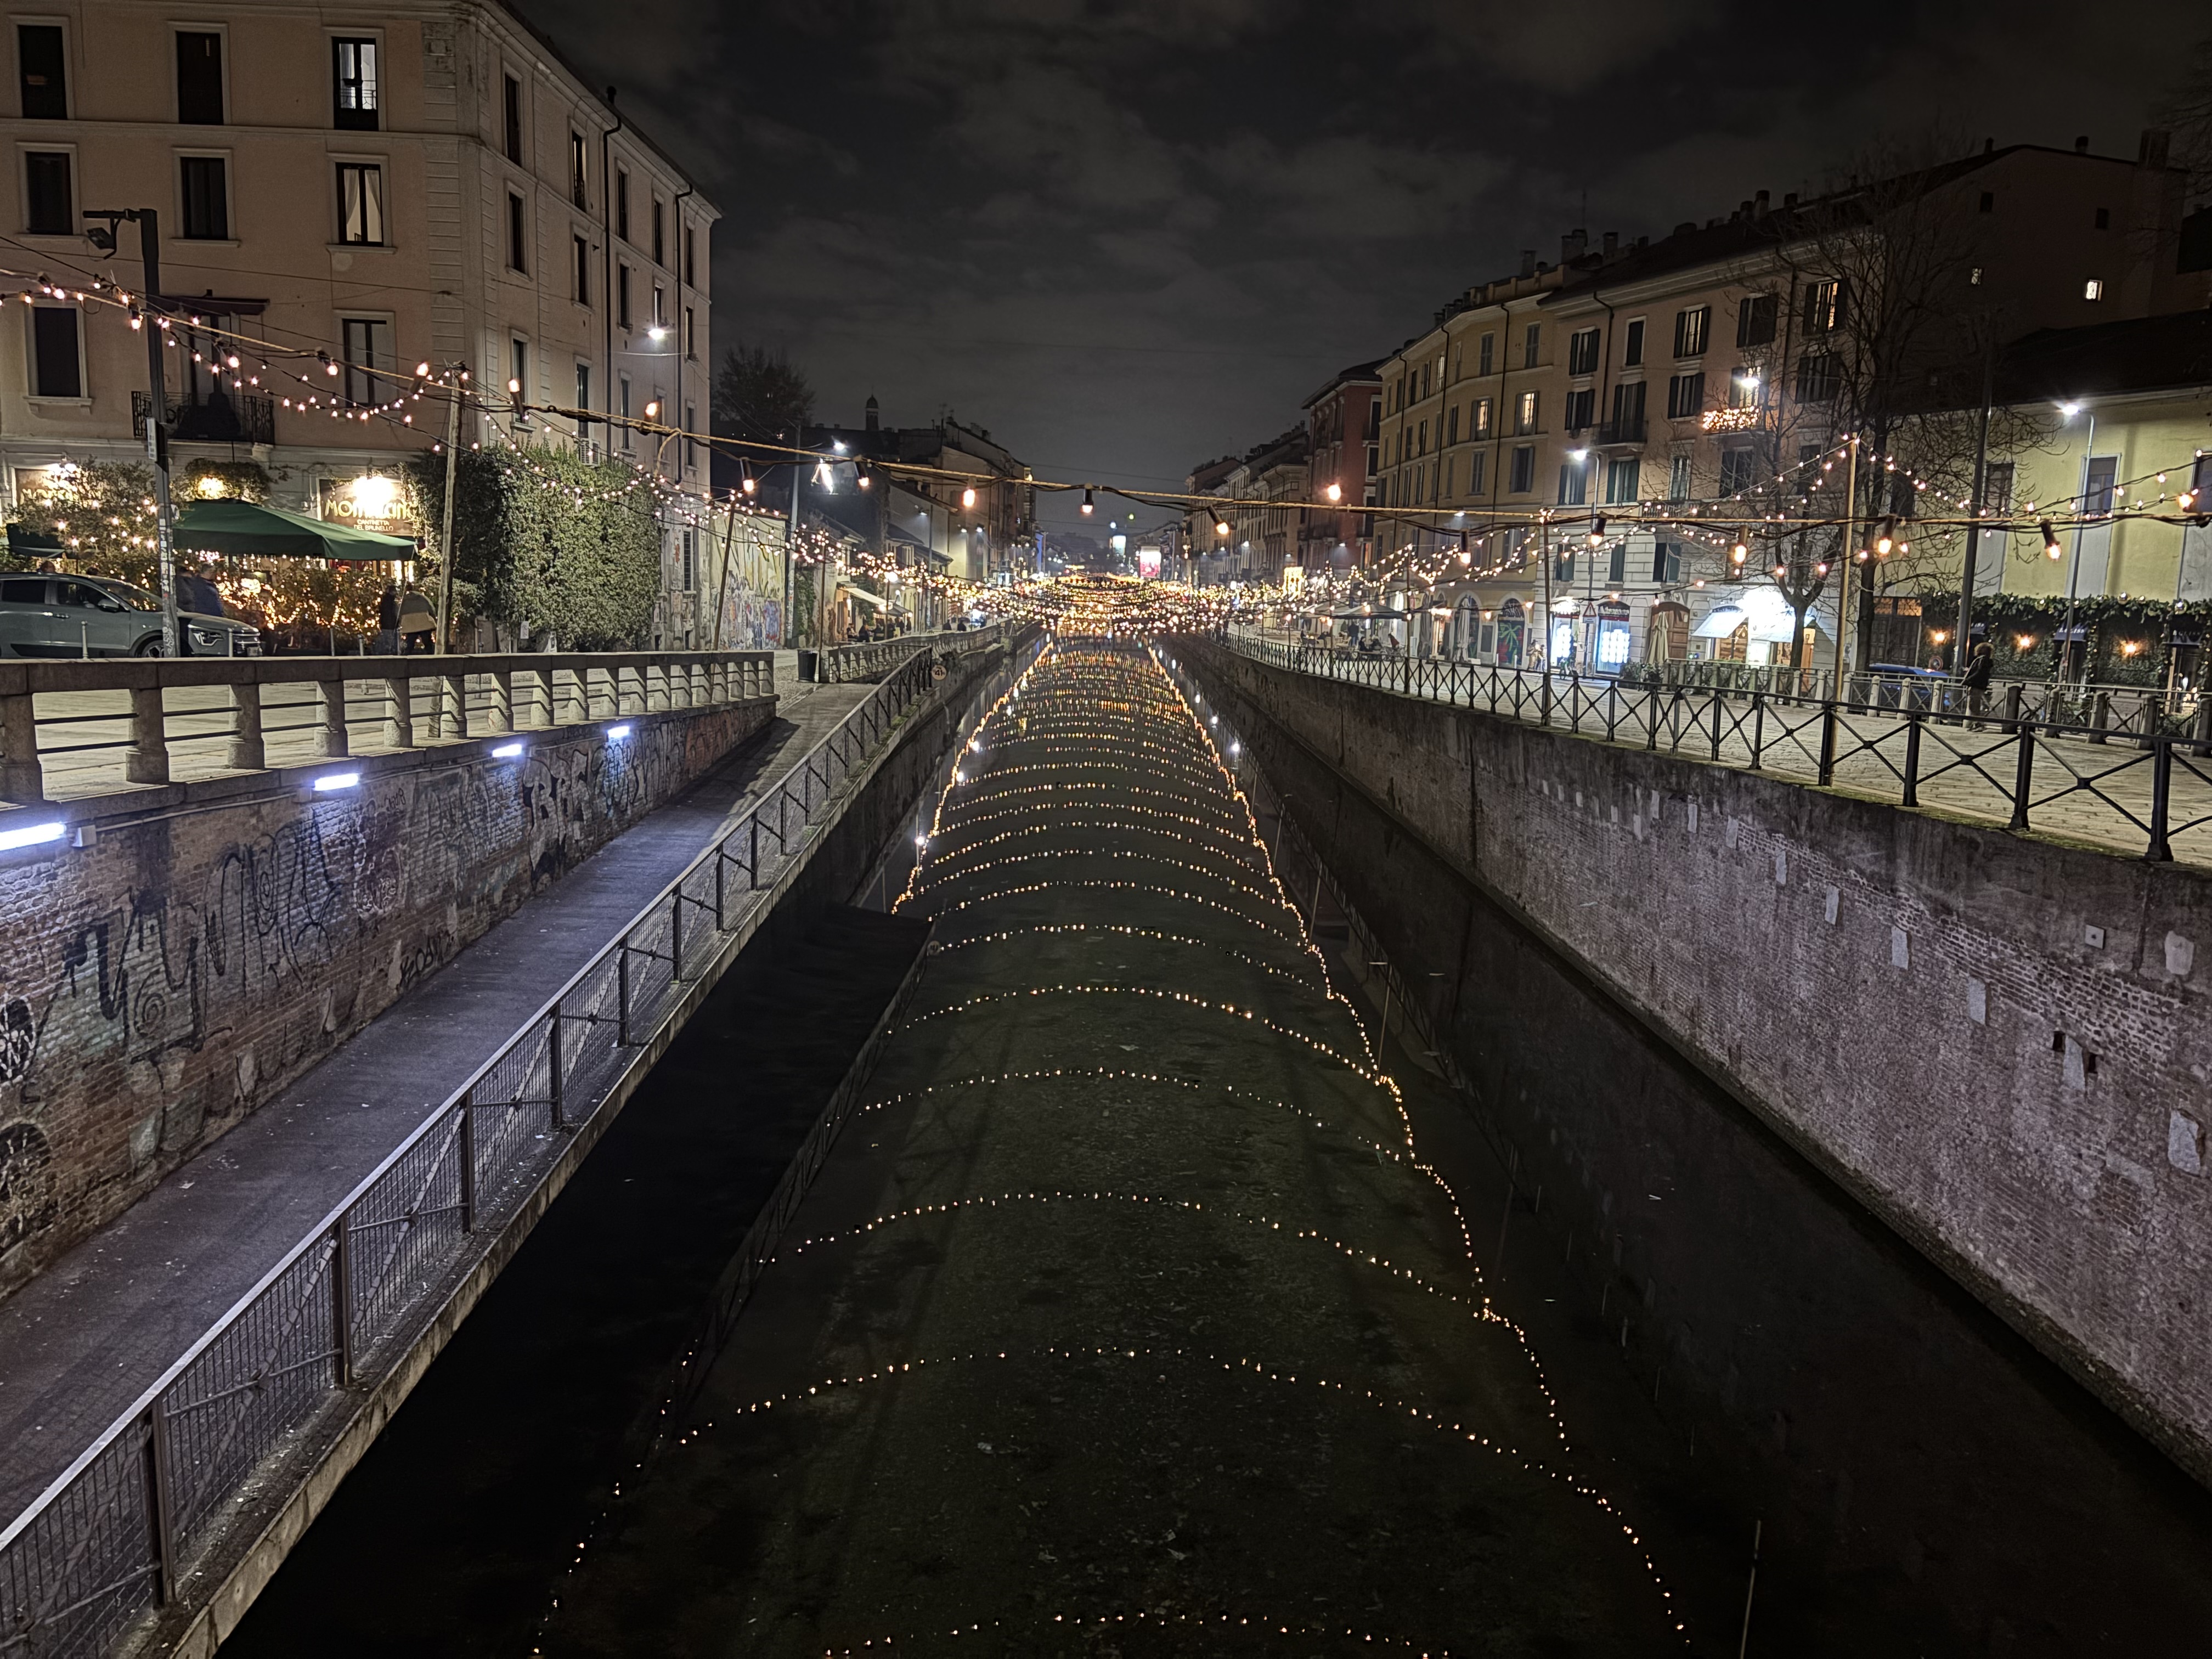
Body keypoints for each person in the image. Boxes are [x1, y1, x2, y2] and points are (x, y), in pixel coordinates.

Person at [1962, 638, 1994, 727]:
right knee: (1975, 705)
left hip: (1976, 685)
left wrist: (1968, 680)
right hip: (1980, 685)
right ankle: (1976, 724)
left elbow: (1979, 672)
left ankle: (1978, 724)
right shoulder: (1986, 660)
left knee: (1974, 705)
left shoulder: (1982, 660)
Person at [398, 587, 435, 653]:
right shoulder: (423, 598)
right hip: (423, 622)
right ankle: (431, 655)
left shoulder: (406, 600)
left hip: (411, 624)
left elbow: (400, 612)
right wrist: (433, 617)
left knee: (410, 642)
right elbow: (431, 608)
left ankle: (407, 655)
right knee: (427, 642)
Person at [376, 584, 401, 654]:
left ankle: (387, 652)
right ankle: (391, 652)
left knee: (386, 640)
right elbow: (395, 613)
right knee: (391, 640)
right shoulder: (392, 601)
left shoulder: (384, 600)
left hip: (385, 624)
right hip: (391, 624)